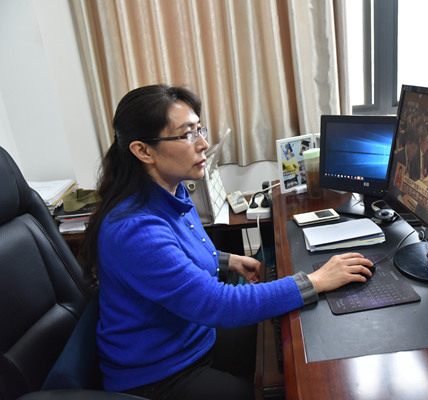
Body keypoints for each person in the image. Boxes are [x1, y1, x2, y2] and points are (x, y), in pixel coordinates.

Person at [81, 84, 374, 399]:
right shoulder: (134, 230)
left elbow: (178, 253)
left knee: (289, 338)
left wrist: (227, 260)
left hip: (192, 337)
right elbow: (218, 304)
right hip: (160, 373)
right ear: (143, 151)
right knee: (279, 386)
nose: (203, 144)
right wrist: (315, 281)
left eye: (199, 129)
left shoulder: (171, 191)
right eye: (187, 135)